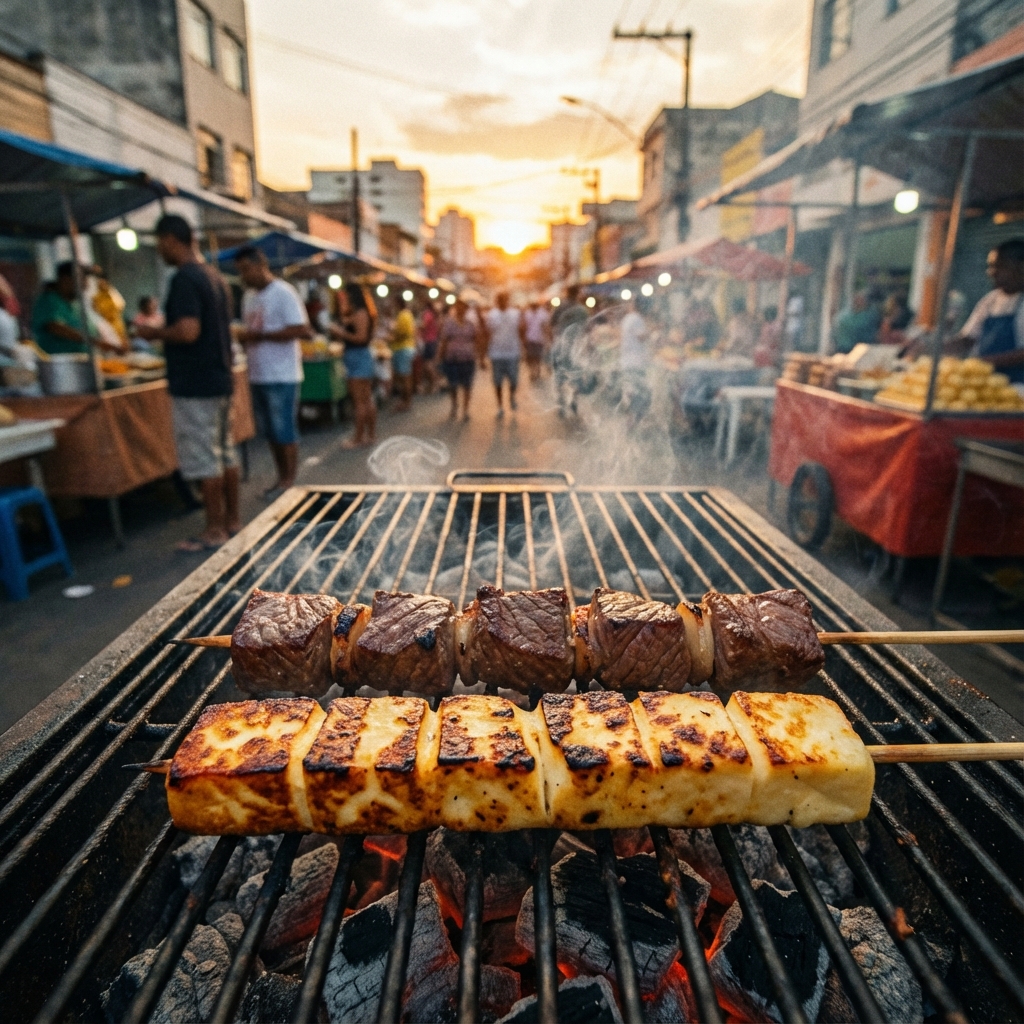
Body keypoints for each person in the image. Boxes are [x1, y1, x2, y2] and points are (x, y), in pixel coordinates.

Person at [134, 215, 239, 552]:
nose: (159, 250)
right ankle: (232, 521)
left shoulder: (185, 279)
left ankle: (214, 530)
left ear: (170, 239)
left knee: (206, 457)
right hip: (220, 378)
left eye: (159, 243)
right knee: (225, 453)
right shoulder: (214, 276)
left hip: (197, 383)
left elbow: (188, 331)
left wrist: (153, 332)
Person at [234, 246, 313, 499]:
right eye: (240, 271)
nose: (243, 276)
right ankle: (281, 479)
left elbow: (301, 329)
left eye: (246, 269)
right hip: (258, 373)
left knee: (284, 430)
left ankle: (289, 482)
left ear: (261, 264)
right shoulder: (249, 297)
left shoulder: (283, 293)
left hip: (282, 374)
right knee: (270, 432)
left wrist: (260, 335)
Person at [948, 239, 1024, 382]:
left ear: (1021, 267)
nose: (991, 273)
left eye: (1000, 266)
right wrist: (935, 348)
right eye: (990, 266)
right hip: (984, 386)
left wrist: (983, 362)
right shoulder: (989, 301)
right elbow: (968, 339)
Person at [330, 282, 377, 447]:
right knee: (366, 399)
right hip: (360, 357)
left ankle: (358, 438)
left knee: (360, 401)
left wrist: (341, 333)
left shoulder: (361, 313)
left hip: (357, 356)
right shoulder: (360, 313)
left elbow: (361, 338)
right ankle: (369, 435)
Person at [31, 262, 91, 355]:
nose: (86, 285)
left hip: (80, 359)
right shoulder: (49, 300)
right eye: (82, 279)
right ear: (65, 279)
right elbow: (55, 327)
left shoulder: (73, 304)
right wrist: (95, 341)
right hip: (59, 363)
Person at [551, 285, 589, 416]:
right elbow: (586, 328)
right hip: (575, 348)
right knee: (577, 376)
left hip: (560, 346)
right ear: (578, 293)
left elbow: (552, 324)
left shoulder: (560, 307)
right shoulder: (582, 310)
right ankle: (573, 400)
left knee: (559, 376)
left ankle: (561, 404)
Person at [438, 298, 479, 420]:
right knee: (453, 384)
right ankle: (455, 405)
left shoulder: (470, 324)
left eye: (463, 307)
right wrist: (440, 356)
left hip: (467, 358)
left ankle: (465, 409)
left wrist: (479, 355)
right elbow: (444, 341)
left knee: (467, 385)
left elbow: (476, 339)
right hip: (452, 358)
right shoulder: (449, 323)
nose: (460, 309)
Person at [484, 292, 522, 416]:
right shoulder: (492, 315)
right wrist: (484, 353)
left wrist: (522, 348)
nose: (503, 302)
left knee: (514, 380)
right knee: (498, 382)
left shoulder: (515, 314)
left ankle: (511, 397)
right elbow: (487, 334)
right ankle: (500, 406)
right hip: (496, 353)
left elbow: (521, 330)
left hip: (512, 352)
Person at [618, 293, 653, 425]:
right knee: (643, 394)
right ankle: (634, 422)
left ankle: (631, 422)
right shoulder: (637, 319)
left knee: (632, 392)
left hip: (627, 361)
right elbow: (641, 337)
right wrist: (653, 330)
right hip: (635, 363)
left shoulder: (627, 318)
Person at [832, 289, 881, 353]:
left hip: (861, 350)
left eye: (861, 299)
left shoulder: (870, 316)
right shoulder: (844, 316)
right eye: (858, 299)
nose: (859, 301)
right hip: (846, 349)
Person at [389, 296, 416, 411]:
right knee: (405, 377)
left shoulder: (402, 316)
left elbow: (401, 334)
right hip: (406, 348)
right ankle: (405, 402)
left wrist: (390, 337)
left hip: (402, 348)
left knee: (404, 378)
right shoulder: (407, 314)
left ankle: (406, 402)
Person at [522, 300, 551, 383]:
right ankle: (533, 372)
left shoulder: (542, 314)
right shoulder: (527, 314)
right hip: (530, 339)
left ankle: (536, 371)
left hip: (538, 339)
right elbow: (524, 327)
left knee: (537, 357)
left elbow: (545, 327)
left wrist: (547, 336)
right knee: (531, 357)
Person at [418, 300, 442, 394]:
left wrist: (417, 327)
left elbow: (424, 325)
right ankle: (433, 383)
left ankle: (435, 382)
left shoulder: (427, 314)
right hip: (433, 341)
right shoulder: (433, 314)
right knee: (428, 365)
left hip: (429, 341)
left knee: (428, 365)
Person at [753, 305, 783, 370]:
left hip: (773, 351)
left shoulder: (776, 325)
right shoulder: (766, 325)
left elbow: (775, 340)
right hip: (767, 350)